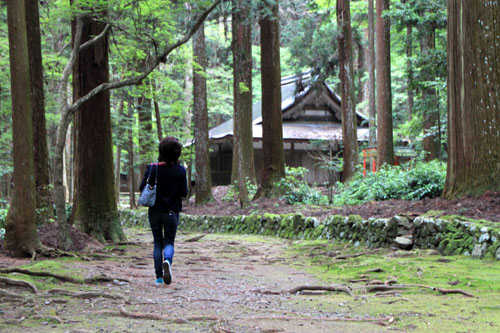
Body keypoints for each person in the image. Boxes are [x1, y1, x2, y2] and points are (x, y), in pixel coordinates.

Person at [139, 136, 188, 285]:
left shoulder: (152, 167)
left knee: (157, 243)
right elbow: (184, 192)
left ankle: (159, 277)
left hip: (154, 211)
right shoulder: (180, 170)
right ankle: (167, 260)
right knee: (169, 242)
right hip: (172, 212)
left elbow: (142, 188)